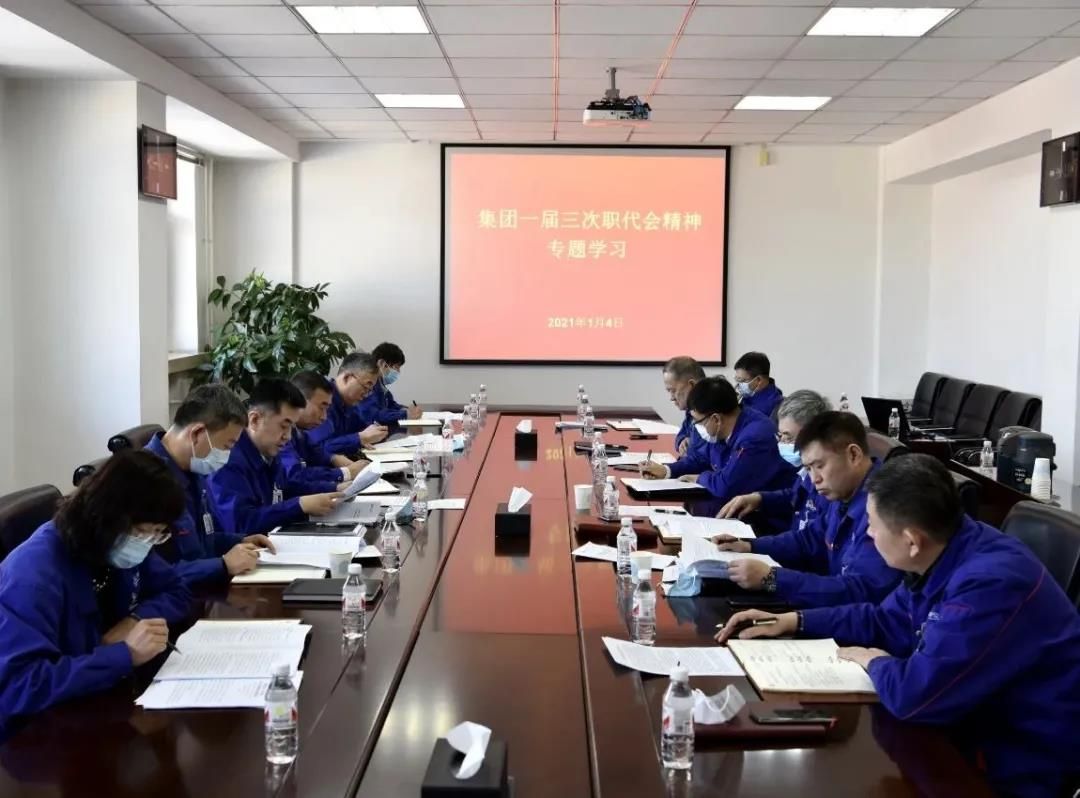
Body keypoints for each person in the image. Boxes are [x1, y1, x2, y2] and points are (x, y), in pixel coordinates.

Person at [717, 455, 1080, 798]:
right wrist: (795, 621)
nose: (869, 535)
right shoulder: (947, 547)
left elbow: (915, 696)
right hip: (964, 723)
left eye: (872, 526)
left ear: (911, 540)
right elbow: (884, 619)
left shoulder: (990, 583)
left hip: (1018, 762)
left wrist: (873, 661)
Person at [0, 452, 192, 734]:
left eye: (158, 533)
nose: (147, 543)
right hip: (35, 736)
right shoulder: (33, 574)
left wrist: (135, 620)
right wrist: (124, 655)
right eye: (144, 532)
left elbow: (177, 589)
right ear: (107, 518)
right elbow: (20, 686)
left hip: (94, 704)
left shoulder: (121, 543)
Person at [716, 411, 900, 607]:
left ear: (853, 455)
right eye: (809, 469)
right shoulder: (844, 490)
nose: (814, 479)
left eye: (819, 466)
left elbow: (859, 592)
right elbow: (809, 540)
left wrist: (772, 580)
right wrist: (750, 546)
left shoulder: (884, 507)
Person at [145, 384, 276, 584]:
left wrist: (239, 541)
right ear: (197, 433)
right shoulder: (145, 483)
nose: (227, 455)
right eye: (226, 446)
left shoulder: (192, 469)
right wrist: (222, 565)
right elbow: (154, 577)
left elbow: (201, 541)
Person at [208, 379, 342, 536]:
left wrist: (334, 488)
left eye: (292, 427)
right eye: (284, 426)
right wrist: (298, 505)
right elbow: (240, 524)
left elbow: (286, 488)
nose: (288, 436)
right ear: (254, 420)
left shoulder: (268, 450)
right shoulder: (227, 460)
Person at [640, 376, 795, 509]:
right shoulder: (722, 428)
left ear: (716, 419)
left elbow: (726, 485)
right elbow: (699, 460)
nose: (696, 427)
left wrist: (699, 478)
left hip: (768, 516)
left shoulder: (754, 437)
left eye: (698, 421)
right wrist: (666, 470)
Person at [718, 389, 831, 536]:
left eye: (788, 437)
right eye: (780, 436)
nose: (782, 443)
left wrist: (754, 546)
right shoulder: (806, 471)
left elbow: (810, 541)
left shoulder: (829, 482)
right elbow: (795, 496)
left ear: (814, 434)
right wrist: (759, 498)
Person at [280, 370, 369, 495]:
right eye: (321, 407)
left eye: (327, 409)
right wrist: (345, 473)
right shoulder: (279, 431)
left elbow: (317, 453)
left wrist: (333, 458)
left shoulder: (298, 432)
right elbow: (294, 476)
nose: (324, 417)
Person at [307, 351, 388, 455]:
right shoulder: (322, 402)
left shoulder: (350, 403)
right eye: (366, 387)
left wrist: (376, 433)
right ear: (347, 378)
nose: (366, 395)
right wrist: (360, 438)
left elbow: (362, 429)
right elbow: (317, 448)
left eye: (370, 390)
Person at [356, 342, 423, 435]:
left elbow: (391, 404)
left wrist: (405, 409)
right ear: (381, 363)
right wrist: (405, 414)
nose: (398, 371)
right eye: (396, 367)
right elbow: (376, 415)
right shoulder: (369, 386)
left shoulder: (380, 384)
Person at [662, 356, 707, 459]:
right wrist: (682, 441)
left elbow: (700, 458)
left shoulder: (709, 411)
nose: (671, 398)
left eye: (673, 390)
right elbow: (682, 433)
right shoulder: (691, 409)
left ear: (692, 385)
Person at [733, 351, 783, 420]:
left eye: (743, 381)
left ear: (759, 380)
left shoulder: (769, 406)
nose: (738, 385)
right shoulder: (751, 395)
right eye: (737, 380)